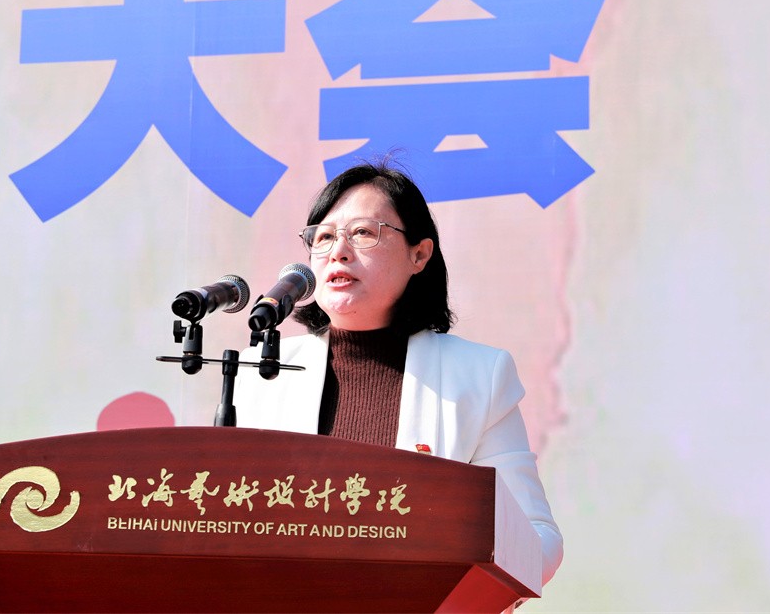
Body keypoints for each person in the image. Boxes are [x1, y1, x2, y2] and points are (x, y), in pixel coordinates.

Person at [236, 160, 563, 585]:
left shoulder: (478, 377)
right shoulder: (259, 373)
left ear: (419, 254)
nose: (338, 251)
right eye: (324, 236)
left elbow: (536, 539)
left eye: (363, 233)